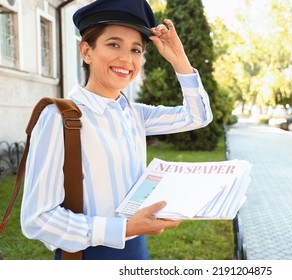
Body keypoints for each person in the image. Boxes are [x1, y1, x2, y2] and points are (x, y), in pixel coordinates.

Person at [20, 0, 212, 260]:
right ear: (86, 51)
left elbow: (198, 115)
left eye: (136, 50)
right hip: (88, 257)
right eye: (113, 44)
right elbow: (38, 218)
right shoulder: (59, 118)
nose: (126, 59)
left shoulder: (135, 114)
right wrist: (123, 228)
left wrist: (179, 59)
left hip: (138, 252)